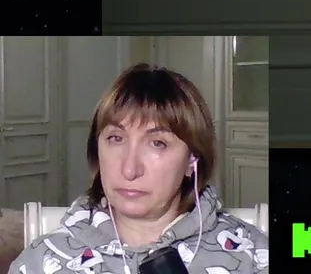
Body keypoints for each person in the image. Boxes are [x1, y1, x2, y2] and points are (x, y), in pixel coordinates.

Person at [9, 63, 270, 274]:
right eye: (116, 139)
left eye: (158, 143)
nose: (130, 170)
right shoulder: (41, 261)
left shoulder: (252, 257)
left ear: (193, 159)